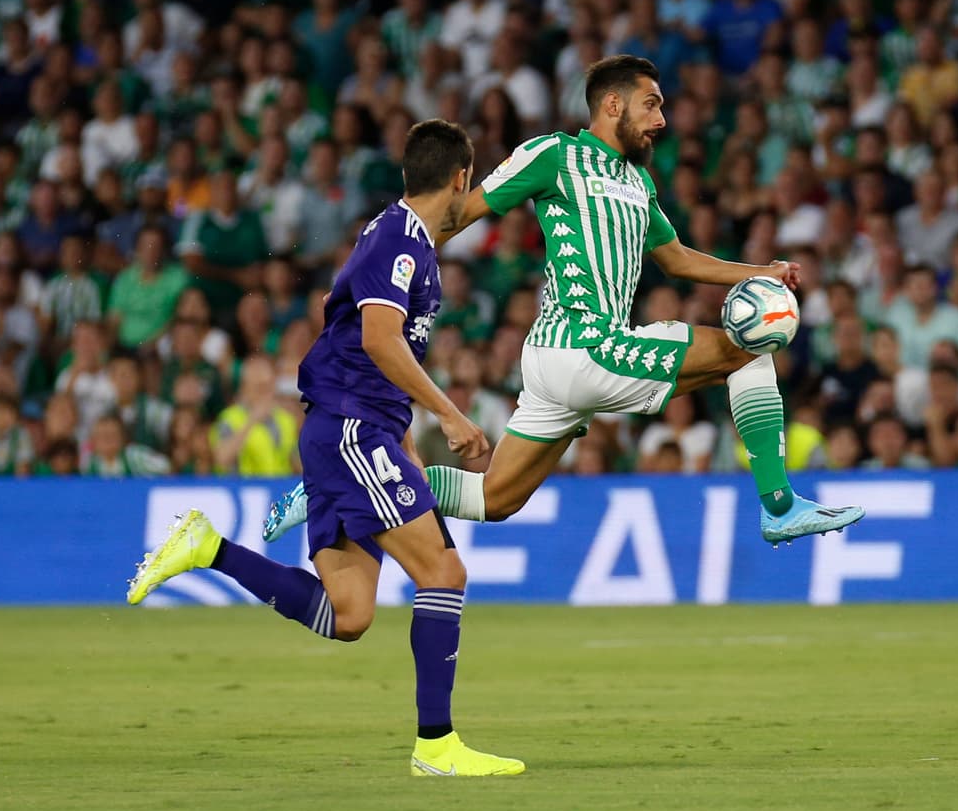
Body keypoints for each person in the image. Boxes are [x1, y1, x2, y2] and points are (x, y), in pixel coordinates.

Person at [264, 56, 864, 547]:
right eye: (651, 104)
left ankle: (330, 485)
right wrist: (367, 280)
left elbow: (677, 258)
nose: (662, 119)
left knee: (493, 499)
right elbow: (452, 214)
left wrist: (762, 271)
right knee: (749, 349)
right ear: (612, 104)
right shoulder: (553, 155)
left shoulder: (639, 182)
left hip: (565, 361)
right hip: (582, 342)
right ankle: (778, 504)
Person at [125, 119, 524, 778]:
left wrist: (401, 436)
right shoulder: (400, 243)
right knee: (444, 574)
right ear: (459, 178)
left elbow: (361, 335)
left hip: (355, 429)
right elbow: (378, 339)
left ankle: (207, 545)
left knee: (350, 614)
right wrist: (448, 415)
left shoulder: (405, 238)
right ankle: (437, 746)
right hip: (351, 430)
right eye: (470, 181)